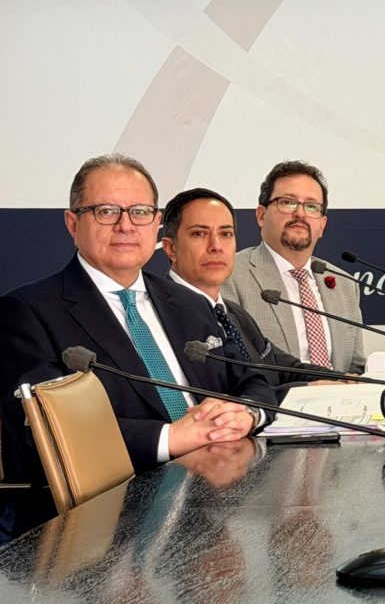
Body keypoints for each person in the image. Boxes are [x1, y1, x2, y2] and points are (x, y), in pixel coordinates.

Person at [0, 154, 276, 484]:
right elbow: (42, 430)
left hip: (217, 490)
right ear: (73, 224)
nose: (126, 225)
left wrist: (245, 414)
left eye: (140, 212)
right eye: (106, 211)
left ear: (156, 222)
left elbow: (252, 380)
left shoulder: (189, 303)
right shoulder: (27, 311)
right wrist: (171, 438)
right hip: (110, 506)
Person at [160, 187, 343, 389]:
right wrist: (304, 391)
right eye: (199, 233)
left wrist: (344, 380)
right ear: (170, 248)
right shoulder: (162, 314)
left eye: (226, 233)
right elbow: (229, 395)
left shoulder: (233, 314)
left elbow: (282, 368)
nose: (216, 245)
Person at [221, 161, 365, 373]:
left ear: (322, 225)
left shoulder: (344, 283)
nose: (300, 213)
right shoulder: (230, 276)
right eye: (288, 203)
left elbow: (356, 366)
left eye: (311, 206)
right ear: (261, 215)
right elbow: (234, 369)